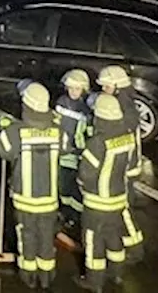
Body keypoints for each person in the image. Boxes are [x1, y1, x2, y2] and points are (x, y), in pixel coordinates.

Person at [0, 81, 61, 290]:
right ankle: (47, 275)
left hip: (25, 198)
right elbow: (68, 147)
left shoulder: (16, 130)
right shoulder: (56, 130)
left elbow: (4, 152)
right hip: (49, 198)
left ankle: (28, 274)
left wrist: (4, 128)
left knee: (27, 235)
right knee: (46, 236)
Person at [77, 93, 136, 292]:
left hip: (97, 201)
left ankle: (94, 282)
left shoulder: (97, 142)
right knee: (114, 236)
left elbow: (85, 172)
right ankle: (117, 274)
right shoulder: (127, 135)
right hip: (118, 198)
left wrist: (81, 184)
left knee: (93, 241)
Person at [96, 65, 144, 260]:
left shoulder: (125, 111)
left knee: (123, 209)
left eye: (106, 86)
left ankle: (135, 246)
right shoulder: (122, 104)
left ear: (116, 86)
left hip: (126, 167)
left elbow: (123, 141)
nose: (103, 90)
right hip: (122, 164)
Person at [55, 69, 92, 233]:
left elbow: (87, 134)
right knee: (62, 184)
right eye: (70, 88)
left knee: (73, 187)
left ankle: (74, 216)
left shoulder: (85, 110)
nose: (73, 92)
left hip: (75, 154)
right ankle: (65, 212)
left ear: (83, 90)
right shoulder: (61, 102)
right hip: (60, 153)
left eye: (77, 89)